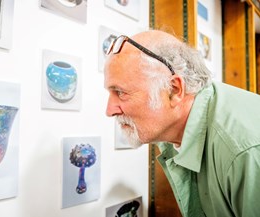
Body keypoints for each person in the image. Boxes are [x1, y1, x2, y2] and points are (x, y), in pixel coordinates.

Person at [103, 29, 260, 217]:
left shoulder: (243, 151)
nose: (109, 110)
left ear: (174, 89)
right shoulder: (174, 131)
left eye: (121, 92)